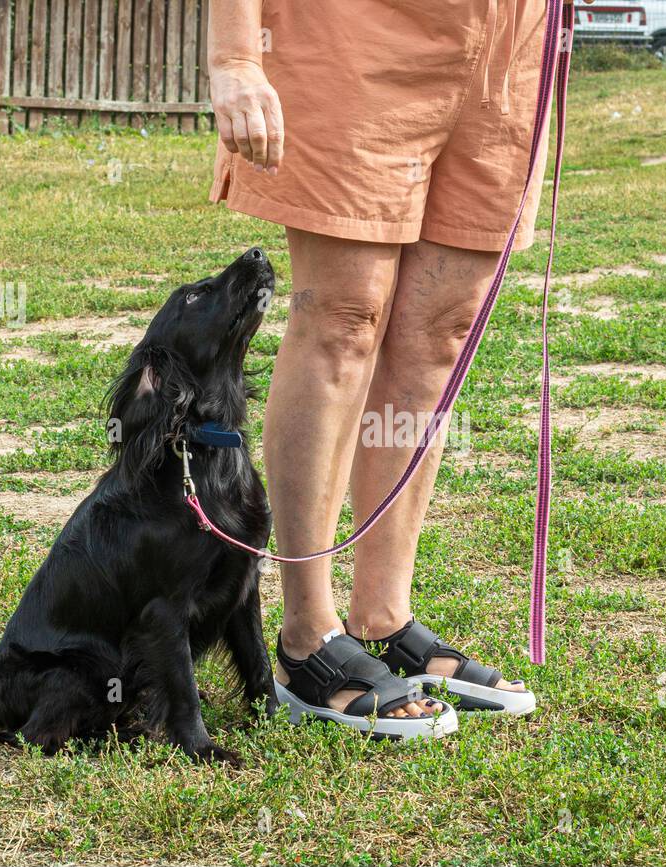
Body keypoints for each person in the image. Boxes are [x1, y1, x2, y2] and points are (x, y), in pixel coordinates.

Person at [205, 0, 561, 736]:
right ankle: (308, 638)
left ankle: (381, 615)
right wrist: (237, 57)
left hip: (507, 41)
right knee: (344, 319)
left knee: (440, 332)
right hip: (352, 30)